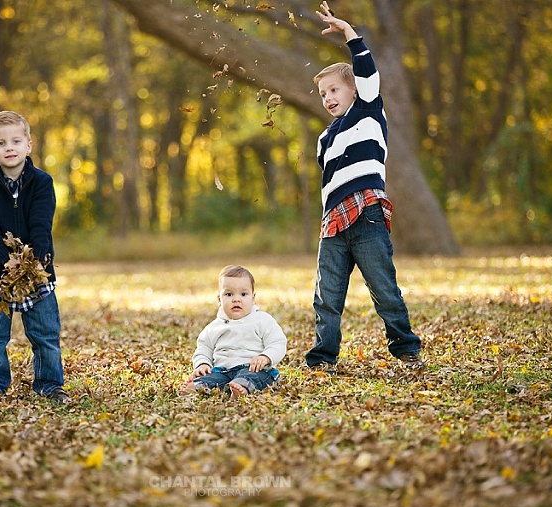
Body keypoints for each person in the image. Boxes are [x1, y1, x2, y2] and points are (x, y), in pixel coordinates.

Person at [305, 2, 424, 374]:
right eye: (323, 94)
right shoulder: (325, 137)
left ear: (354, 89)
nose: (328, 98)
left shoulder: (368, 110)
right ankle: (323, 357)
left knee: (384, 289)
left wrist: (349, 34)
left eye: (334, 90)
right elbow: (328, 184)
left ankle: (406, 350)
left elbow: (367, 72)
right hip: (334, 225)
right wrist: (327, 219)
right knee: (327, 296)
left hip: (367, 215)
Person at [0, 110, 70, 404]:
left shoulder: (41, 182)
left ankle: (50, 384)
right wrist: (6, 259)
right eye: (1, 143)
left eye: (16, 141)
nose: (9, 148)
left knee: (45, 334)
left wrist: (38, 260)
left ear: (29, 145)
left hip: (36, 272)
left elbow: (42, 225)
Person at [181, 265, 287, 398]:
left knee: (254, 377)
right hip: (222, 371)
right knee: (213, 379)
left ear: (253, 298)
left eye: (243, 294)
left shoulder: (262, 320)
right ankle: (198, 386)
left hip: (253, 368)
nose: (236, 299)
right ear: (219, 299)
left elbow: (278, 343)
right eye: (229, 294)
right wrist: (202, 364)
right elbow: (204, 348)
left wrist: (266, 357)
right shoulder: (214, 327)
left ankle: (242, 387)